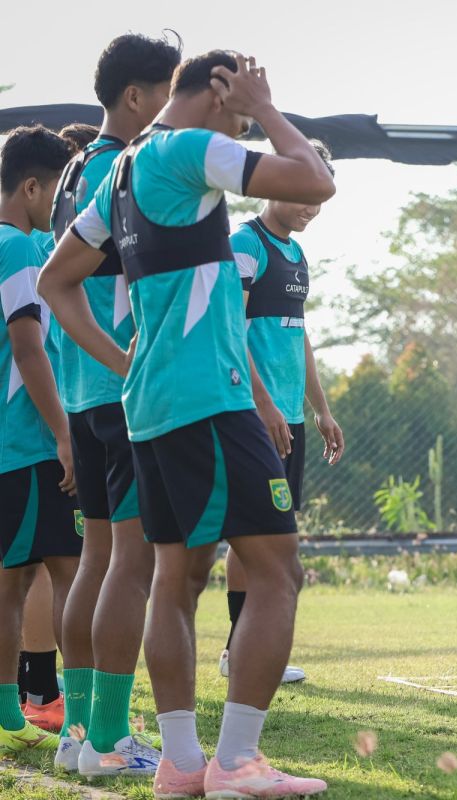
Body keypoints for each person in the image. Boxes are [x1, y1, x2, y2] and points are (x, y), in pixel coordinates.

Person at [40, 51, 334, 798]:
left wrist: (124, 361)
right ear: (218, 93)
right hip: (208, 400)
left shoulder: (122, 170)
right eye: (239, 113)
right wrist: (265, 108)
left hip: (152, 407)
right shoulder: (189, 147)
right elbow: (315, 180)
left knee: (177, 578)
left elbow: (55, 280)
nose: (243, 130)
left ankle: (179, 764)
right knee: (277, 572)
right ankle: (235, 762)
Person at [48, 32, 181, 777]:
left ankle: (79, 734)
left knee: (97, 559)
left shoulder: (75, 166)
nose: (173, 110)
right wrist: (130, 363)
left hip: (81, 390)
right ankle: (107, 740)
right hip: (121, 388)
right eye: (167, 93)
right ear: (136, 97)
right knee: (131, 562)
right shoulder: (125, 170)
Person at [220, 138, 344, 686]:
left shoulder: (296, 255)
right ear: (272, 184)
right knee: (255, 537)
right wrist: (264, 403)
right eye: (301, 195)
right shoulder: (245, 245)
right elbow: (230, 330)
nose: (310, 208)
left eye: (318, 199)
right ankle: (238, 652)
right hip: (253, 416)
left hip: (288, 418)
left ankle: (245, 650)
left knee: (273, 534)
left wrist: (321, 410)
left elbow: (299, 337)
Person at [0, 125, 79, 754]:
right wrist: (64, 433)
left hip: (9, 447)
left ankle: (9, 714)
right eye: (56, 192)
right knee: (73, 574)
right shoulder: (21, 248)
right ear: (31, 187)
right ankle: (86, 719)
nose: (59, 206)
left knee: (14, 581)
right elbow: (29, 349)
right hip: (27, 443)